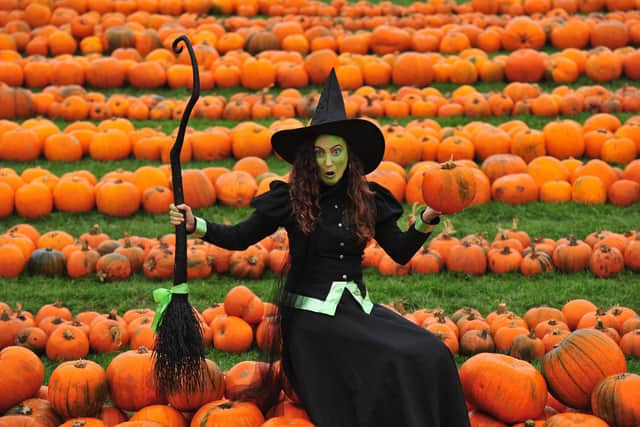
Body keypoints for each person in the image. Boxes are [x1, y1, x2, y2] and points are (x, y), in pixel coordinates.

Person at [169, 69, 471, 427]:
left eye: (336, 152)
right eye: (320, 153)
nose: (328, 162)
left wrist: (429, 215)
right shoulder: (290, 199)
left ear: (350, 155)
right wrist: (195, 225)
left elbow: (401, 251)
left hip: (356, 310)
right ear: (308, 158)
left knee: (430, 350)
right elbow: (240, 237)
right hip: (312, 322)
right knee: (392, 357)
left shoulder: (369, 200)